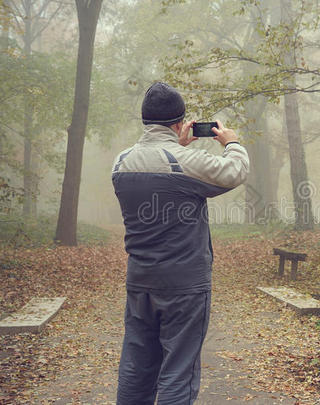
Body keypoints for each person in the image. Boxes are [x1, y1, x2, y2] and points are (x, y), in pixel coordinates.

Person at [111, 82, 250, 404]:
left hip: (140, 281)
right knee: (178, 371)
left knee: (136, 368)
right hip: (184, 286)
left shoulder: (121, 163)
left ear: (146, 121)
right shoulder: (183, 161)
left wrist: (177, 144)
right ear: (178, 123)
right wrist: (232, 143)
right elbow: (235, 171)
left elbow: (159, 165)